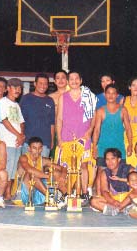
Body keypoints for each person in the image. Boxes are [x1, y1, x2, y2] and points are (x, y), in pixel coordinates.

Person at [56, 71, 97, 201]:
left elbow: (94, 116)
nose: (74, 81)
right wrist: (59, 138)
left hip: (83, 137)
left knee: (83, 165)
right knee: (66, 167)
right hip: (67, 137)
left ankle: (84, 193)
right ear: (68, 81)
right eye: (71, 79)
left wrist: (89, 131)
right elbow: (59, 118)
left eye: (76, 78)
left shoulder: (88, 95)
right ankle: (67, 193)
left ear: (81, 80)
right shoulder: (63, 97)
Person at [92, 84, 132, 171]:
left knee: (120, 175)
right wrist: (94, 147)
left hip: (119, 148)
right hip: (103, 148)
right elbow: (96, 130)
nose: (111, 95)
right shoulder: (100, 111)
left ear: (117, 95)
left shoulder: (123, 110)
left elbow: (128, 128)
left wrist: (130, 144)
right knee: (101, 174)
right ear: (105, 94)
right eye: (108, 93)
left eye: (113, 93)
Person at [18, 137, 67, 206]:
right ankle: (50, 198)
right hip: (23, 194)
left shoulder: (43, 160)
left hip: (38, 193)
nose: (37, 150)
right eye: (34, 148)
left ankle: (66, 195)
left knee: (56, 173)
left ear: (42, 149)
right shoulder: (23, 158)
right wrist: (49, 176)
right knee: (32, 174)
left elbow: (63, 168)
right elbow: (29, 170)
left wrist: (62, 176)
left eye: (39, 148)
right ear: (29, 149)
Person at [0, 78, 25, 200]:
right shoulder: (2, 102)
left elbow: (21, 122)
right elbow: (5, 121)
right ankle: (5, 193)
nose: (17, 90)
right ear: (8, 88)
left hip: (17, 143)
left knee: (13, 169)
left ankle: (9, 192)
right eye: (14, 87)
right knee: (6, 168)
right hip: (6, 142)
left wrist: (22, 135)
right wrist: (18, 135)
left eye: (19, 88)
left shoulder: (17, 105)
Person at [20, 73, 55, 157]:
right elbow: (20, 120)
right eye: (40, 83)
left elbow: (52, 123)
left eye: (45, 84)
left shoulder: (50, 100)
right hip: (28, 142)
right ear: (35, 84)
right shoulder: (26, 98)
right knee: (27, 168)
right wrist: (21, 136)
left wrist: (52, 140)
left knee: (41, 169)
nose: (43, 86)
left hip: (44, 143)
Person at [90, 148, 134, 214]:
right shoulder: (104, 173)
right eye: (107, 159)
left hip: (128, 200)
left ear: (119, 160)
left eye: (113, 159)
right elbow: (104, 191)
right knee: (93, 201)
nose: (110, 162)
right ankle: (122, 210)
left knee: (134, 195)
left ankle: (115, 210)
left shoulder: (129, 169)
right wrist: (113, 202)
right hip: (114, 200)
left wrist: (125, 202)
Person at [49, 70, 68, 157]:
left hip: (70, 133)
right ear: (54, 81)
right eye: (58, 78)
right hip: (56, 133)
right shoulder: (50, 97)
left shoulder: (73, 95)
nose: (60, 80)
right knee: (55, 160)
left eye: (63, 77)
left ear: (67, 80)